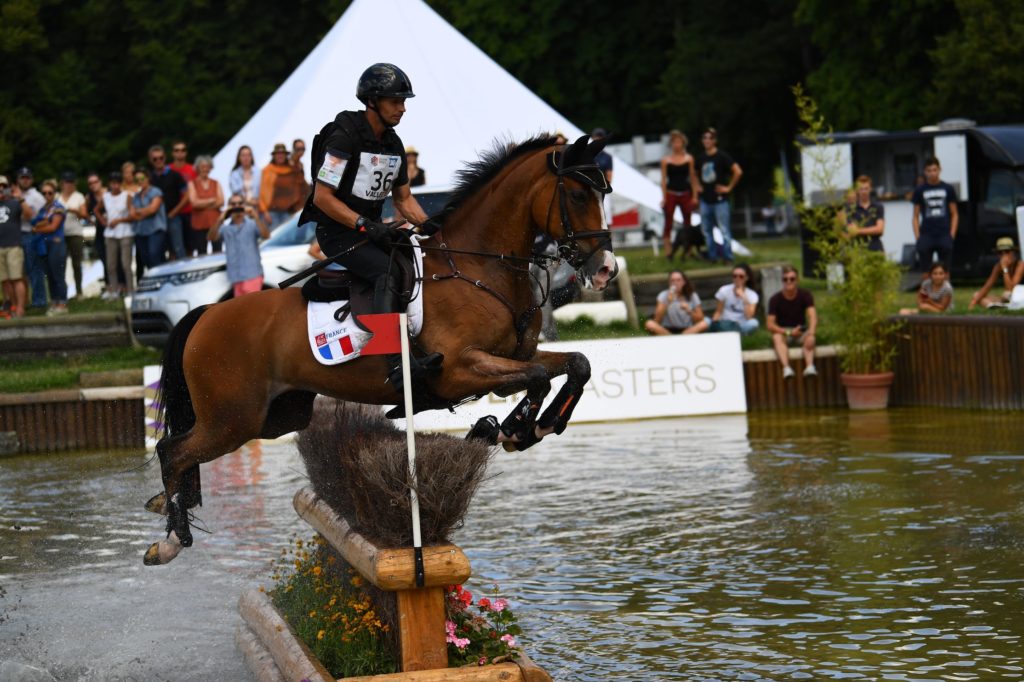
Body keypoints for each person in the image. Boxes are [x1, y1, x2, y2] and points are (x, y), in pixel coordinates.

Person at [299, 62, 436, 389]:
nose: (402, 109)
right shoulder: (343, 138)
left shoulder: (394, 145)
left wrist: (435, 225)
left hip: (368, 230)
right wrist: (363, 223)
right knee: (384, 272)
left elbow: (404, 201)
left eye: (404, 102)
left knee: (414, 262)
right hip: (337, 232)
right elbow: (322, 197)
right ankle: (394, 363)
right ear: (373, 101)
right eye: (395, 101)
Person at [693, 127, 742, 263]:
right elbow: (694, 174)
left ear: (715, 140)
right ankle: (712, 256)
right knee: (707, 230)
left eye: (710, 138)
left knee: (724, 229)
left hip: (720, 200)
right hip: (705, 200)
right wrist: (697, 187)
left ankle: (728, 256)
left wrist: (729, 188)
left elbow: (737, 171)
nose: (707, 141)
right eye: (704, 138)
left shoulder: (722, 156)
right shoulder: (701, 158)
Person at [208, 194, 270, 297]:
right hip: (236, 278)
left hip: (253, 275)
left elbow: (266, 235)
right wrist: (220, 220)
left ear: (244, 205)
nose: (237, 206)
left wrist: (256, 217)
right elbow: (211, 237)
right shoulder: (225, 228)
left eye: (240, 203)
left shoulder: (252, 224)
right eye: (233, 204)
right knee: (243, 311)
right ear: (229, 207)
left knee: (251, 308)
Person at [767, 266, 818, 379]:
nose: (789, 282)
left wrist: (811, 333)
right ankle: (786, 368)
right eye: (785, 279)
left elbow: (812, 316)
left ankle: (810, 367)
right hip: (784, 331)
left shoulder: (805, 295)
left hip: (801, 330)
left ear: (797, 280)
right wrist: (788, 332)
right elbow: (770, 324)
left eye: (792, 279)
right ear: (782, 281)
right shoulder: (775, 299)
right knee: (776, 338)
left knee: (811, 339)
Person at [30, 180, 69, 316]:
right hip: (44, 245)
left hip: (56, 244)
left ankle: (62, 303)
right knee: (50, 275)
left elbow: (53, 226)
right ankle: (54, 301)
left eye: (50, 193)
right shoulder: (43, 209)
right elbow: (35, 223)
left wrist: (38, 227)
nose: (47, 195)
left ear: (54, 193)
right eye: (44, 193)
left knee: (58, 274)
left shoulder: (58, 207)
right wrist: (41, 224)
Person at [912, 157, 958, 271]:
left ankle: (945, 289)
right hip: (926, 234)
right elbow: (915, 216)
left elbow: (954, 213)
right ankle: (926, 289)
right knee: (926, 272)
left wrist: (951, 235)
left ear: (939, 170)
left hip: (944, 234)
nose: (932, 173)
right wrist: (918, 237)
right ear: (925, 172)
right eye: (929, 170)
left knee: (945, 271)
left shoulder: (948, 188)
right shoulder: (920, 190)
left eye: (934, 170)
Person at [660, 130, 697, 259]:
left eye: (679, 142)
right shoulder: (666, 160)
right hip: (671, 192)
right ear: (671, 144)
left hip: (685, 192)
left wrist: (695, 196)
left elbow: (692, 178)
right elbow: (664, 179)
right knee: (668, 222)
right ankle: (668, 251)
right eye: (674, 142)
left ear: (683, 143)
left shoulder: (689, 159)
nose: (676, 144)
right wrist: (664, 197)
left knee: (688, 221)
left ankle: (689, 250)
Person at [148, 145, 188, 260]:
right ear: (151, 160)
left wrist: (175, 211)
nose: (158, 161)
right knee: (160, 249)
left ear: (165, 158)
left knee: (178, 247)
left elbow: (186, 195)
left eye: (161, 158)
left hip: (173, 217)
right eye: (155, 159)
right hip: (156, 219)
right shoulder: (150, 178)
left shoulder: (174, 175)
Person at [15, 168, 47, 309]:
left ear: (31, 180)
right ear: (18, 179)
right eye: (23, 177)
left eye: (27, 177)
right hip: (14, 236)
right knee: (18, 272)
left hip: (31, 234)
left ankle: (39, 301)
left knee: (34, 270)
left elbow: (34, 218)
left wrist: (20, 200)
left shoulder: (37, 197)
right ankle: (23, 302)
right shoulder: (11, 195)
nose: (25, 180)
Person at [644, 270, 708, 335]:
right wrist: (667, 303)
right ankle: (673, 338)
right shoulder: (663, 295)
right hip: (667, 330)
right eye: (672, 280)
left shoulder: (692, 295)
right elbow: (657, 320)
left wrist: (689, 311)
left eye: (678, 280)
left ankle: (679, 338)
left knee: (705, 323)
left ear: (684, 282)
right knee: (649, 324)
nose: (675, 283)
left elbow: (700, 319)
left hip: (687, 330)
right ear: (669, 283)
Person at [129, 169, 167, 278]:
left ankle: (162, 279)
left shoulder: (155, 192)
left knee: (154, 254)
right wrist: (145, 211)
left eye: (141, 178)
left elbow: (153, 209)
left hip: (155, 229)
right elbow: (132, 214)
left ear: (147, 178)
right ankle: (154, 281)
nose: (139, 181)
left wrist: (139, 211)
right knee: (146, 259)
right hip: (141, 231)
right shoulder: (136, 196)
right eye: (137, 179)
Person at [101, 172, 134, 299]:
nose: (115, 186)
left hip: (125, 232)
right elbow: (97, 209)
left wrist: (119, 221)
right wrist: (104, 221)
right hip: (110, 234)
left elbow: (132, 215)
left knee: (126, 264)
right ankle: (114, 290)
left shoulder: (127, 196)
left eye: (117, 183)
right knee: (111, 264)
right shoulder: (106, 197)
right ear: (110, 184)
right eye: (113, 183)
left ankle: (131, 290)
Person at [969, 237, 1024, 309]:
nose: (1004, 255)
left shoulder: (1020, 265)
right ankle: (994, 306)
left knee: (1007, 294)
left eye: (1007, 251)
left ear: (1013, 252)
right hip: (1011, 298)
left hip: (1020, 295)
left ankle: (1001, 306)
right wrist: (974, 302)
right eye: (1000, 253)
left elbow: (1011, 289)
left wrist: (1005, 269)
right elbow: (987, 286)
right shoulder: (998, 266)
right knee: (977, 295)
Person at [0, 175, 28, 317]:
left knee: (16, 278)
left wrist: (20, 198)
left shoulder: (15, 203)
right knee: (4, 280)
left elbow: (29, 216)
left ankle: (20, 309)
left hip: (13, 246)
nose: (1, 189)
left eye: (3, 186)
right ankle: (12, 306)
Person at [260, 143, 305, 229]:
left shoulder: (291, 170)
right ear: (274, 156)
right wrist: (264, 212)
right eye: (278, 154)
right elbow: (261, 193)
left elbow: (299, 185)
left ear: (286, 155)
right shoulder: (267, 171)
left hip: (289, 212)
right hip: (272, 212)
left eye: (282, 154)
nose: (280, 156)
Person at [186, 155, 224, 256]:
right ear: (197, 168)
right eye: (202, 166)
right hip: (199, 224)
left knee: (218, 250)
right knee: (201, 251)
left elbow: (221, 201)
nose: (205, 169)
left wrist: (202, 203)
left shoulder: (216, 183)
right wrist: (211, 201)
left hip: (214, 223)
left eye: (207, 166)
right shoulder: (192, 184)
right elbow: (194, 203)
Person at [58, 172, 88, 298]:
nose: (69, 185)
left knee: (76, 263)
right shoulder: (56, 197)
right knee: (61, 264)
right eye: (66, 182)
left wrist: (71, 210)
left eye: (71, 182)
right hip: (60, 234)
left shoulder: (79, 196)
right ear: (62, 183)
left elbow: (84, 214)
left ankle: (79, 291)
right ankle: (62, 293)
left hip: (75, 233)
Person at [711, 263, 759, 335]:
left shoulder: (752, 295)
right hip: (725, 323)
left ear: (747, 278)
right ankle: (734, 334)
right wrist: (714, 324)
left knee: (754, 323)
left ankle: (734, 334)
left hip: (741, 325)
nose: (737, 278)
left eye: (741, 276)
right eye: (734, 276)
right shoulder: (724, 290)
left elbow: (749, 317)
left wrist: (744, 298)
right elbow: (718, 312)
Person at [845, 175, 885, 252]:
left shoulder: (878, 207)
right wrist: (872, 230)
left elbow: (880, 230)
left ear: (870, 189)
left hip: (875, 248)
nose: (864, 192)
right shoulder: (851, 209)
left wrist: (858, 231)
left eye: (866, 189)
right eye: (861, 189)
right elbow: (851, 231)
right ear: (857, 190)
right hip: (858, 249)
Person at [170, 140, 196, 251]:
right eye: (177, 150)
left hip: (189, 211)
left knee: (190, 245)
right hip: (172, 213)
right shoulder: (168, 170)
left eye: (182, 150)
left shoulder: (192, 169)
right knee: (174, 247)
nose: (180, 153)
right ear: (173, 153)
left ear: (186, 153)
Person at [85, 173, 108, 285]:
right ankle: (109, 284)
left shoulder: (108, 192)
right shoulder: (89, 197)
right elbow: (84, 211)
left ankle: (119, 285)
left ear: (100, 181)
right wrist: (91, 220)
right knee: (103, 257)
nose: (93, 185)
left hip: (112, 229)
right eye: (90, 183)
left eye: (95, 181)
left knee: (114, 258)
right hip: (100, 230)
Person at [229, 145, 261, 214]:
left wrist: (258, 202)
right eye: (243, 155)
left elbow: (263, 190)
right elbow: (235, 192)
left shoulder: (258, 172)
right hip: (242, 208)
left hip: (259, 207)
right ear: (239, 158)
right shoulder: (234, 174)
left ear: (251, 157)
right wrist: (249, 201)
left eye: (248, 155)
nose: (246, 158)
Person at [591, 128, 614, 221]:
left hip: (602, 188)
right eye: (596, 137)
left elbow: (609, 176)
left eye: (600, 137)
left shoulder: (607, 157)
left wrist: (602, 187)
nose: (598, 139)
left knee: (606, 214)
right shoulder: (586, 154)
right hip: (588, 188)